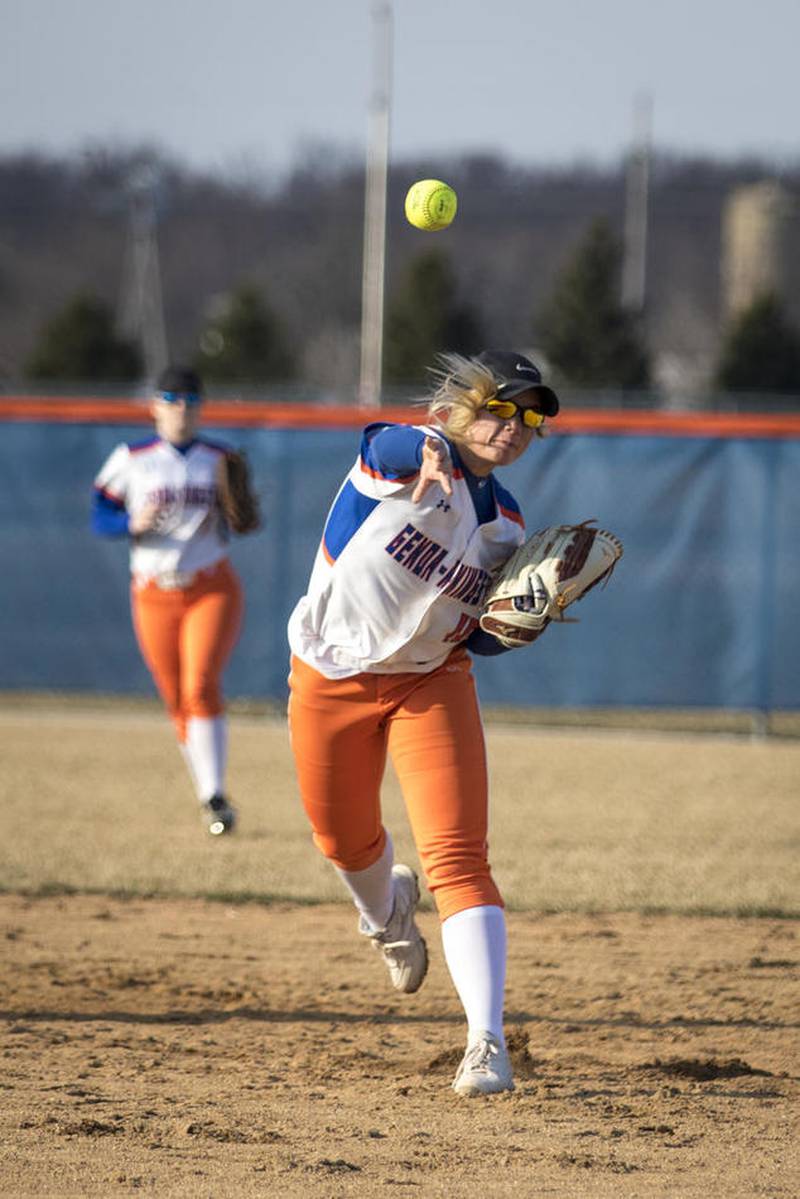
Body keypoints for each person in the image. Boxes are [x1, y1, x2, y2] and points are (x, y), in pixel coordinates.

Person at [287, 348, 560, 1096]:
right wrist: (431, 445)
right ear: (460, 406)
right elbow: (377, 440)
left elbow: (469, 632)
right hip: (331, 674)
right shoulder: (401, 463)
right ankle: (386, 913)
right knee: (341, 838)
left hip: (431, 684)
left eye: (531, 415)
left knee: (460, 856)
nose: (515, 425)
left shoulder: (506, 525)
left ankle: (486, 1042)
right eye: (500, 406)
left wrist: (512, 624)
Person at [91, 365, 257, 836]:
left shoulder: (219, 458)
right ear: (154, 406)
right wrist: (129, 524)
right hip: (152, 590)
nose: (180, 408)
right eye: (171, 398)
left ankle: (214, 796)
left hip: (210, 587)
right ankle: (209, 793)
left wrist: (241, 514)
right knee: (175, 696)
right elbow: (99, 514)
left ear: (200, 407)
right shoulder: (133, 457)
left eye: (189, 399)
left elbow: (244, 519)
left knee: (200, 682)